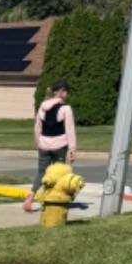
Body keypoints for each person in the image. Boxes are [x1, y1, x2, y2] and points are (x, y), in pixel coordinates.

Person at [24, 79, 76, 213]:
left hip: (44, 144)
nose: (67, 94)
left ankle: (31, 195)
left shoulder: (42, 107)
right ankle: (55, 199)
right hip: (60, 145)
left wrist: (39, 143)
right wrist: (72, 149)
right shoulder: (66, 108)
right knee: (58, 173)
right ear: (61, 92)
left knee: (41, 172)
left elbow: (37, 128)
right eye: (66, 91)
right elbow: (69, 130)